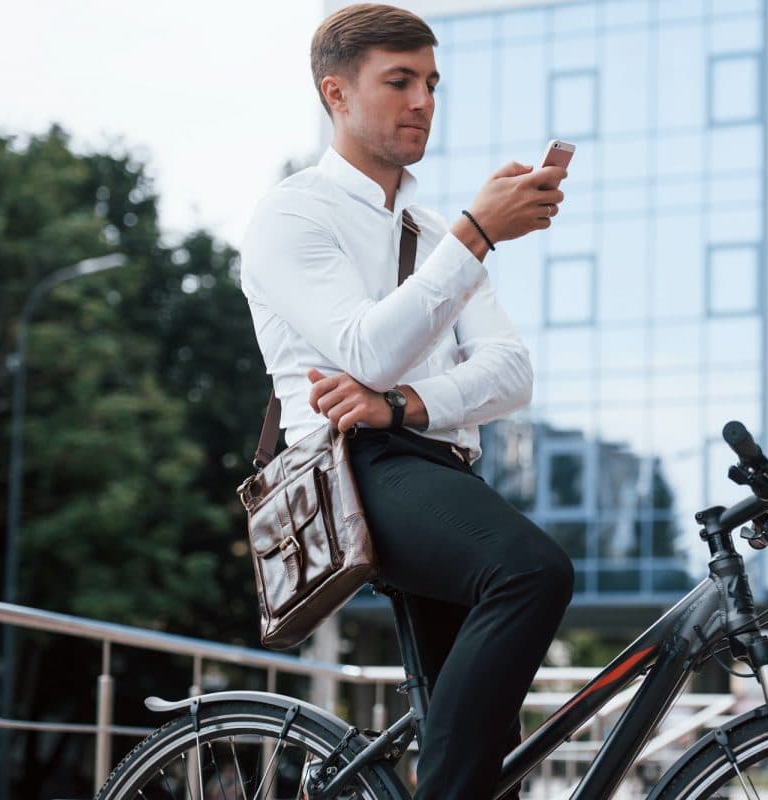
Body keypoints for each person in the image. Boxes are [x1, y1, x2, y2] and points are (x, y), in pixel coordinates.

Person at [238, 4, 573, 799]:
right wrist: (476, 238)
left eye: (431, 82)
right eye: (399, 81)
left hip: (436, 467)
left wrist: (406, 403)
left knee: (495, 753)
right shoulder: (293, 215)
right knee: (530, 572)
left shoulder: (432, 228)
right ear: (337, 94)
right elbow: (365, 347)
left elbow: (512, 372)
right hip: (359, 472)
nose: (423, 100)